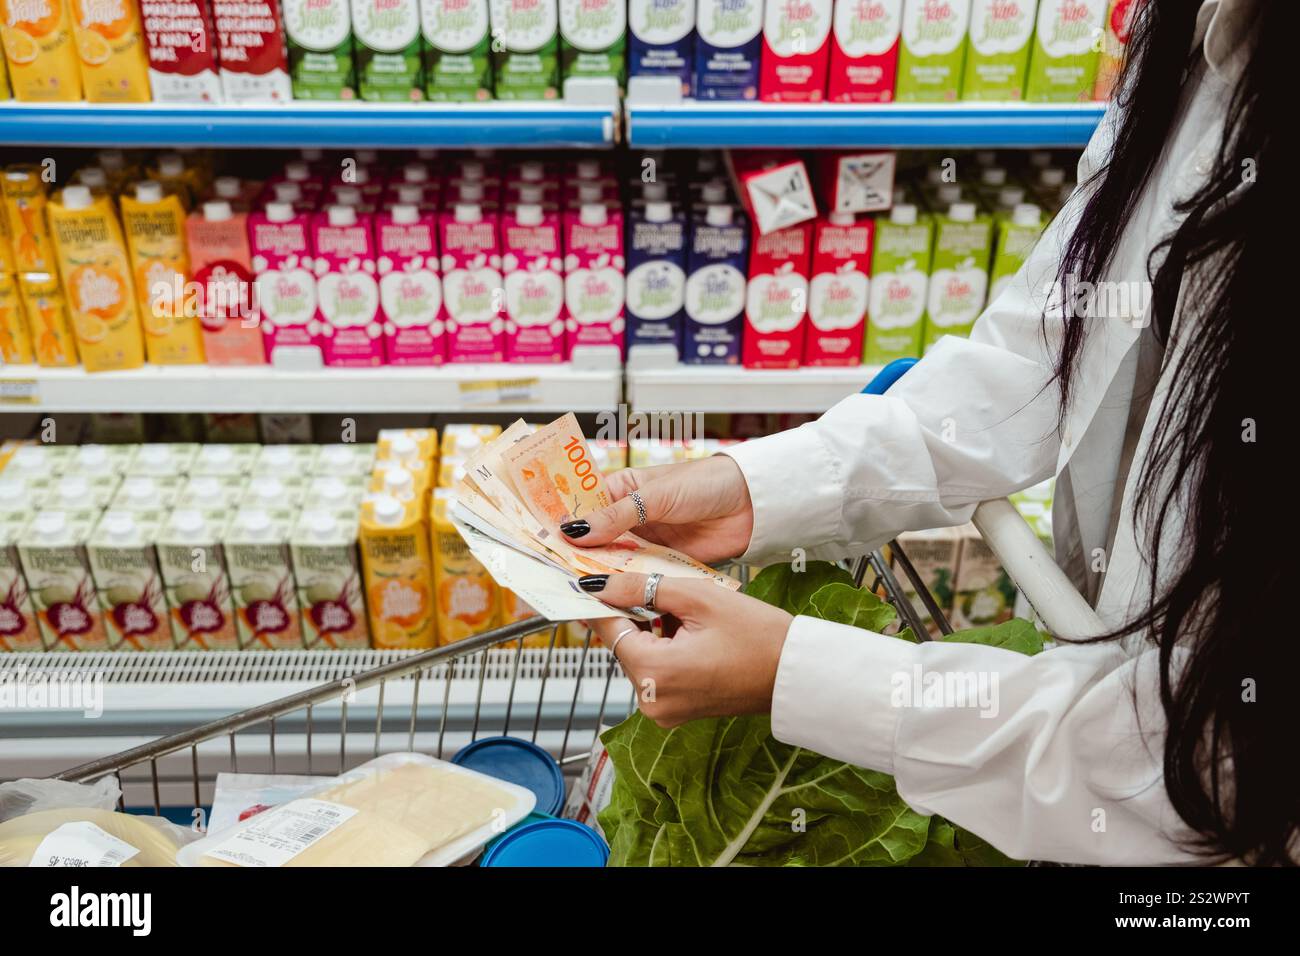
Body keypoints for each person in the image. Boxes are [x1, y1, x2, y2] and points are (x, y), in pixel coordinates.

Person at [565, 0, 1295, 866]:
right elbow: (1051, 347)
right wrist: (758, 487)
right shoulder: (1197, 34)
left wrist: (792, 673)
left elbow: (1215, 768)